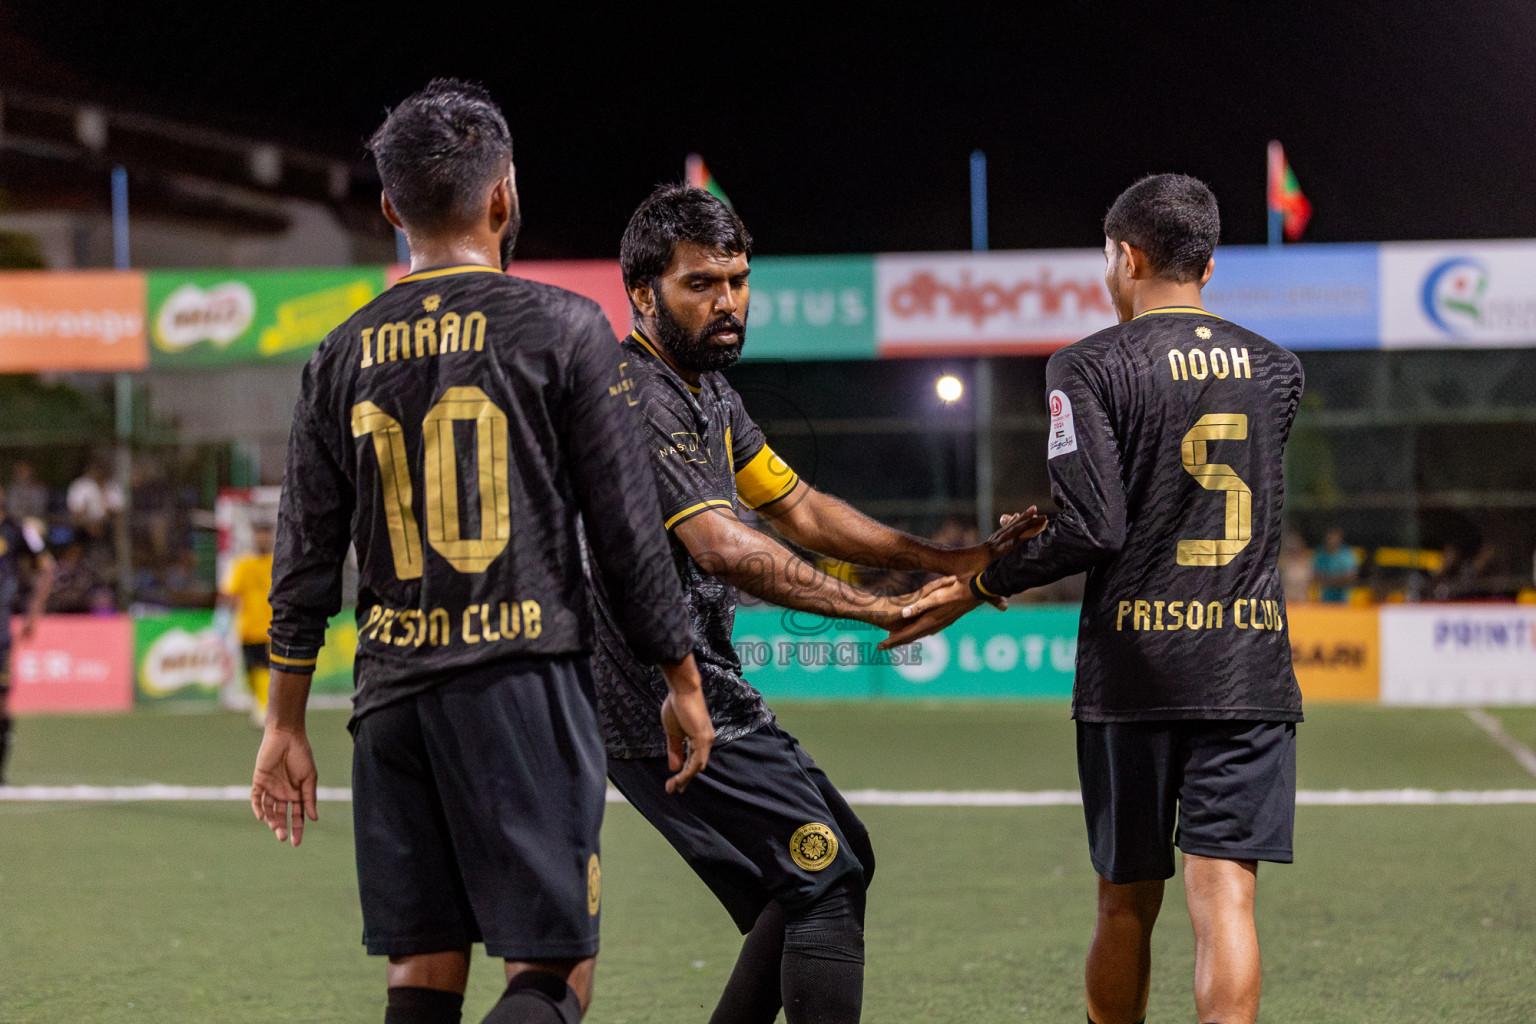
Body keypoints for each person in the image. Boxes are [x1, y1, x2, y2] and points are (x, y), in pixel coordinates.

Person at [250, 80, 713, 1024]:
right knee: (554, 972)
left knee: (422, 971)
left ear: (389, 209)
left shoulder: (338, 353)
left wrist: (283, 722)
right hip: (519, 684)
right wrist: (683, 675)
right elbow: (628, 535)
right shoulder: (566, 328)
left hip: (389, 700)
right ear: (503, 193)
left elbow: (302, 558)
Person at [591, 184, 1044, 1024]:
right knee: (822, 877)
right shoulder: (635, 395)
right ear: (643, 293)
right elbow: (726, 548)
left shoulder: (707, 393)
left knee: (829, 868)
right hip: (655, 705)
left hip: (703, 693)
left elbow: (797, 509)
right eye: (701, 284)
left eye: (737, 278)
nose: (727, 302)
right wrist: (874, 611)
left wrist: (945, 558)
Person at [890, 174, 1304, 1024]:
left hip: (1135, 673)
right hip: (1246, 666)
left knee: (1124, 905)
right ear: (1210, 266)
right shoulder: (1277, 368)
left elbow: (1095, 531)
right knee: (1224, 900)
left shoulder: (1088, 364)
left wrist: (978, 583)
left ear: (1128, 255)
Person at [0, 483, 56, 784]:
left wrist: (34, 611)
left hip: (0, 628)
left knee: (1, 703)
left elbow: (47, 568)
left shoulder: (17, 531)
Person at [219, 525, 276, 725]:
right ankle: (261, 704)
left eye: (265, 536)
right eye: (258, 537)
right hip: (247, 628)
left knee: (266, 668)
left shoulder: (277, 563)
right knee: (251, 670)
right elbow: (230, 593)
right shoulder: (243, 564)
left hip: (272, 628)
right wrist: (224, 616)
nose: (261, 541)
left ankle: (265, 707)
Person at [1311, 526, 1358, 602]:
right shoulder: (1320, 554)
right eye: (1330, 536)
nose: (1332, 539)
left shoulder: (1347, 554)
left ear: (1340, 537)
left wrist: (1328, 580)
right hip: (1324, 599)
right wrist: (1338, 579)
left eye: (1334, 536)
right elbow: (1316, 576)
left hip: (1343, 599)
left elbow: (1351, 577)